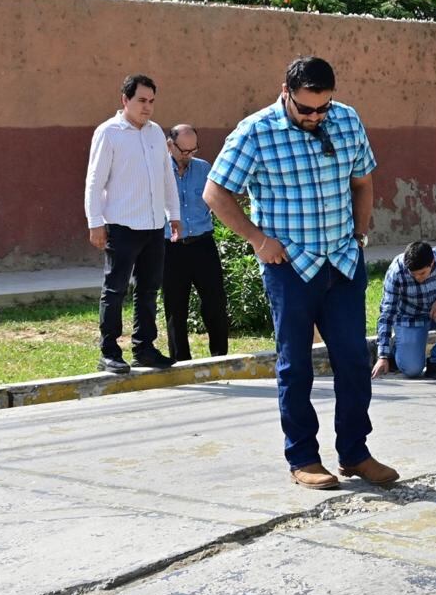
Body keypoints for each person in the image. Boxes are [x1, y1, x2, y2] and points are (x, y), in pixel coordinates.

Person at [203, 56, 398, 490]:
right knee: (296, 366)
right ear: (286, 92)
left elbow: (362, 181)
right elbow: (215, 192)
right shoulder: (256, 131)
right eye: (306, 109)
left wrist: (361, 233)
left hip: (342, 262)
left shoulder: (346, 121)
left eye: (322, 108)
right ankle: (303, 458)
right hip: (289, 266)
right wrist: (257, 239)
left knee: (352, 360)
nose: (315, 117)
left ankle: (355, 453)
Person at [84, 74, 181, 374]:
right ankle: (109, 351)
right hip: (122, 225)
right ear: (125, 100)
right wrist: (95, 222)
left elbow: (167, 176)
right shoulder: (109, 132)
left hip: (153, 226)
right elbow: (94, 180)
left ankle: (145, 348)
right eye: (141, 100)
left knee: (149, 289)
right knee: (115, 289)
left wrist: (173, 214)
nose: (147, 107)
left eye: (151, 101)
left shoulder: (155, 134)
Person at [162, 124, 229, 362]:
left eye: (194, 150)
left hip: (202, 244)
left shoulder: (203, 169)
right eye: (184, 150)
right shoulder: (158, 170)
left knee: (215, 303)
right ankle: (181, 360)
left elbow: (217, 199)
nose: (189, 155)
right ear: (170, 145)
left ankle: (220, 357)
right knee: (175, 307)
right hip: (170, 247)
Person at [371, 241, 436, 381]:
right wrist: (382, 355)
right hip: (409, 318)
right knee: (412, 370)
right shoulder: (396, 271)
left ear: (432, 263)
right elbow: (387, 313)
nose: (418, 278)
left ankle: (435, 362)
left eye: (422, 273)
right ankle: (395, 352)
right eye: (413, 274)